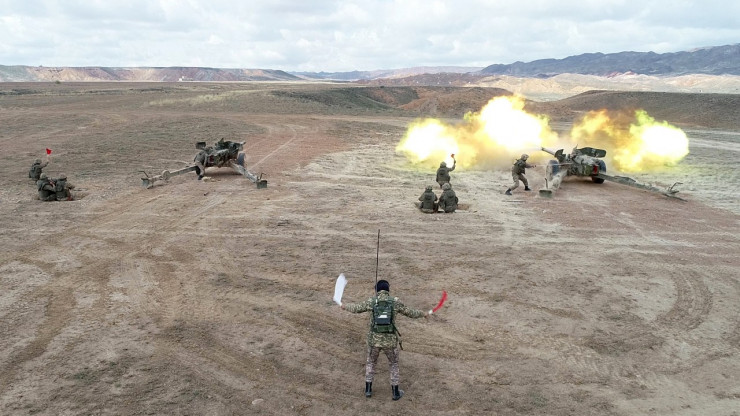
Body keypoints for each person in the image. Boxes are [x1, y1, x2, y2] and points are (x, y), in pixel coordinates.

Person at [341, 280, 429, 401]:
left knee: (371, 363)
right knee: (393, 364)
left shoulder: (372, 301)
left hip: (374, 340)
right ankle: (395, 392)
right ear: (388, 290)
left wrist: (344, 306)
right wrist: (423, 314)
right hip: (390, 341)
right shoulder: (395, 302)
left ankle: (368, 390)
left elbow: (356, 308)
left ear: (377, 290)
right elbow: (411, 312)